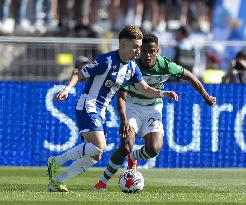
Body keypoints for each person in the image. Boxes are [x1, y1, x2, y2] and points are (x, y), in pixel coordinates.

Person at [47, 26, 178, 192]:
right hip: (88, 104)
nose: (138, 51)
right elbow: (79, 73)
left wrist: (163, 93)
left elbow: (144, 88)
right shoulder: (106, 61)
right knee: (99, 146)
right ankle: (56, 161)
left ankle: (57, 182)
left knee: (95, 156)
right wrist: (67, 89)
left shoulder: (132, 67)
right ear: (123, 45)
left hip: (101, 110)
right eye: (135, 47)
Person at [94, 33, 216, 190]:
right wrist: (124, 120)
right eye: (144, 51)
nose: (147, 55)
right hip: (132, 108)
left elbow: (190, 76)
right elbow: (121, 97)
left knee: (154, 149)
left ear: (157, 50)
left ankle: (132, 158)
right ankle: (102, 181)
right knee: (125, 146)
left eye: (151, 51)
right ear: (139, 51)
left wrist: (205, 96)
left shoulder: (165, 65)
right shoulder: (131, 66)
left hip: (153, 109)